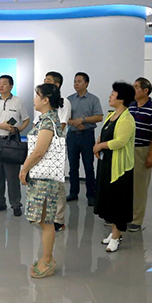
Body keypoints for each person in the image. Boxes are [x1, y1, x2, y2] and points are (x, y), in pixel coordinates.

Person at [19, 83, 65, 278]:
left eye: (37, 96)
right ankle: (47, 258)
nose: (34, 99)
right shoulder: (47, 119)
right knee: (44, 219)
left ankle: (47, 260)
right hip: (42, 178)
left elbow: (39, 151)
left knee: (46, 221)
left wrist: (24, 168)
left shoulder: (48, 121)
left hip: (44, 180)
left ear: (46, 100)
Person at [93, 82, 136, 252]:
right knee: (109, 199)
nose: (110, 96)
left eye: (113, 94)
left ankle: (117, 237)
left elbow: (120, 141)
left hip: (119, 167)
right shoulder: (111, 115)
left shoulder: (127, 119)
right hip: (107, 163)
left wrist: (101, 146)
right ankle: (114, 232)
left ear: (122, 98)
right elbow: (104, 134)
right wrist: (98, 144)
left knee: (118, 201)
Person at [0, 75, 30, 216]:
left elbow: (26, 119)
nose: (1, 86)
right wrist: (2, 126)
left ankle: (16, 204)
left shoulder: (18, 102)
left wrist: (18, 129)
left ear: (11, 86)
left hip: (11, 141)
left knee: (12, 175)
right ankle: (0, 203)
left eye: (4, 83)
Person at [128, 77, 152, 232]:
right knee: (127, 185)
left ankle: (136, 219)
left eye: (136, 87)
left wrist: (151, 155)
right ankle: (127, 215)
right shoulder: (131, 106)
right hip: (127, 150)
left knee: (139, 187)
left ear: (145, 90)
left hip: (142, 150)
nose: (133, 89)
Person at [66, 72, 104, 206]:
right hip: (72, 136)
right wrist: (74, 123)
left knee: (88, 166)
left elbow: (99, 117)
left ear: (86, 83)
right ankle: (73, 192)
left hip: (87, 135)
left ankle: (91, 195)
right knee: (73, 166)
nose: (76, 84)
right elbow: (64, 118)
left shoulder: (93, 99)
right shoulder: (69, 100)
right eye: (75, 81)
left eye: (79, 81)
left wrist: (82, 120)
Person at [41, 71, 72, 232]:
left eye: (48, 80)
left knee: (57, 184)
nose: (45, 82)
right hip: (43, 147)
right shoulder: (44, 101)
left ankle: (59, 219)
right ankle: (47, 215)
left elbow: (61, 125)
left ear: (57, 85)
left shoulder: (63, 102)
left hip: (55, 148)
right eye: (44, 80)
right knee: (45, 183)